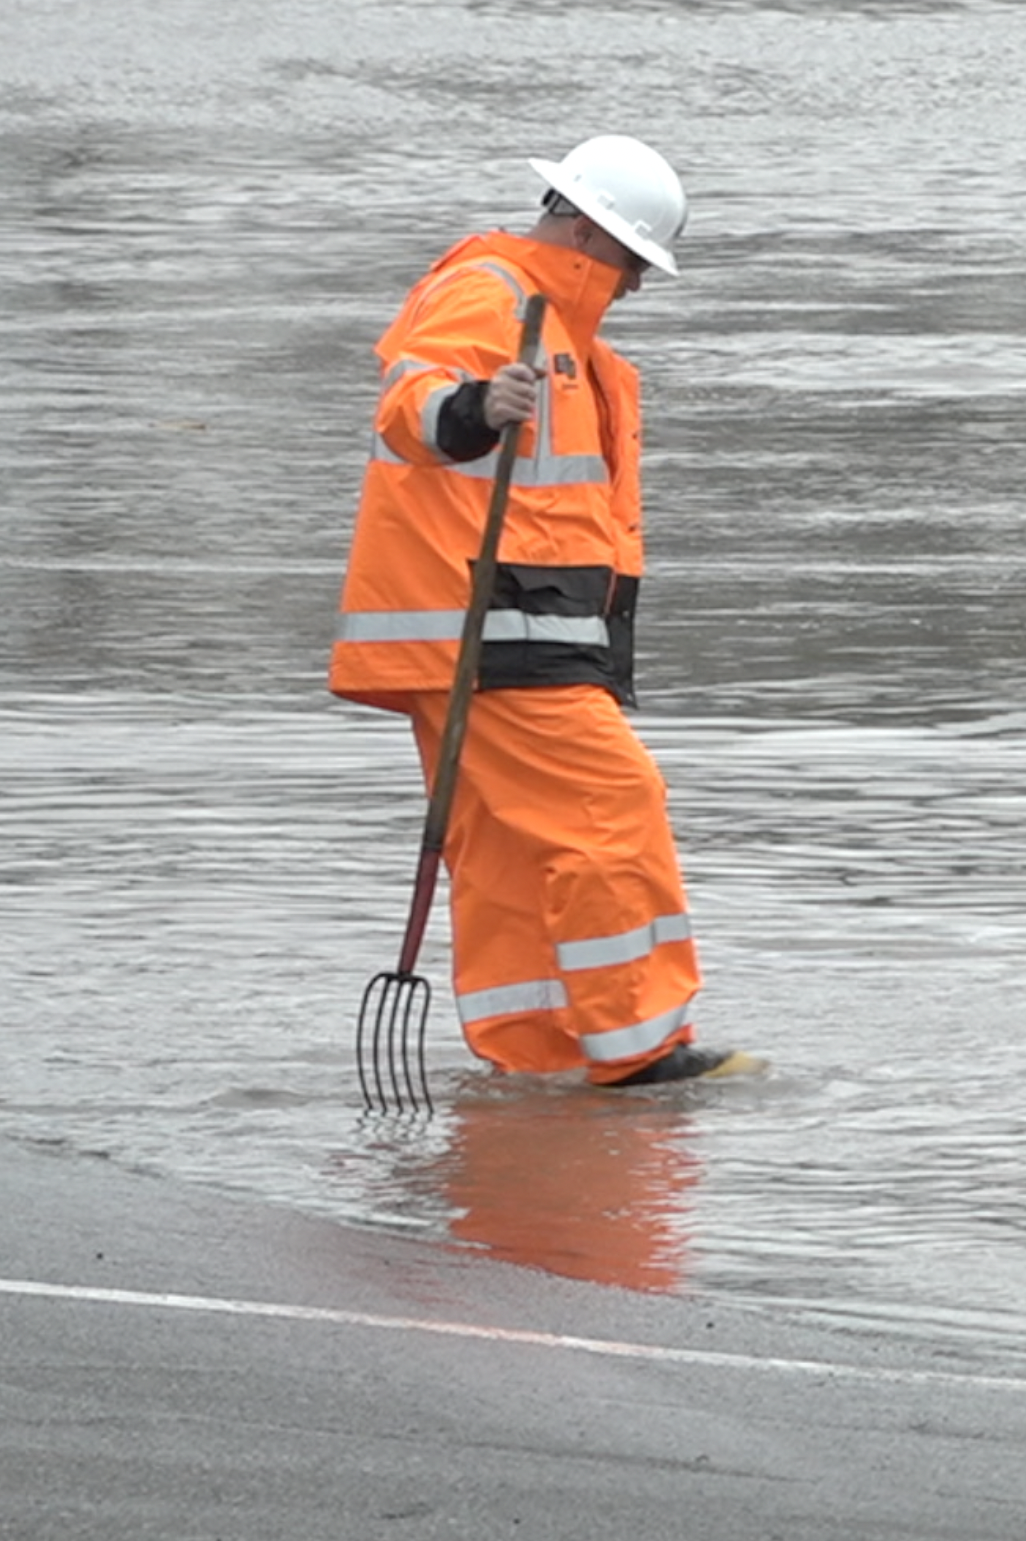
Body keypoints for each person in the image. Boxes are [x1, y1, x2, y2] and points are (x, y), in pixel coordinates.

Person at [330, 136, 753, 1088]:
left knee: (515, 855)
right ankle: (638, 1045)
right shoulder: (491, 294)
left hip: (515, 633)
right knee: (614, 808)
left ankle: (539, 1054)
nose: (639, 283)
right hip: (491, 631)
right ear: (588, 230)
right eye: (636, 260)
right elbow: (415, 402)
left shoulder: (570, 336)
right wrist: (478, 405)